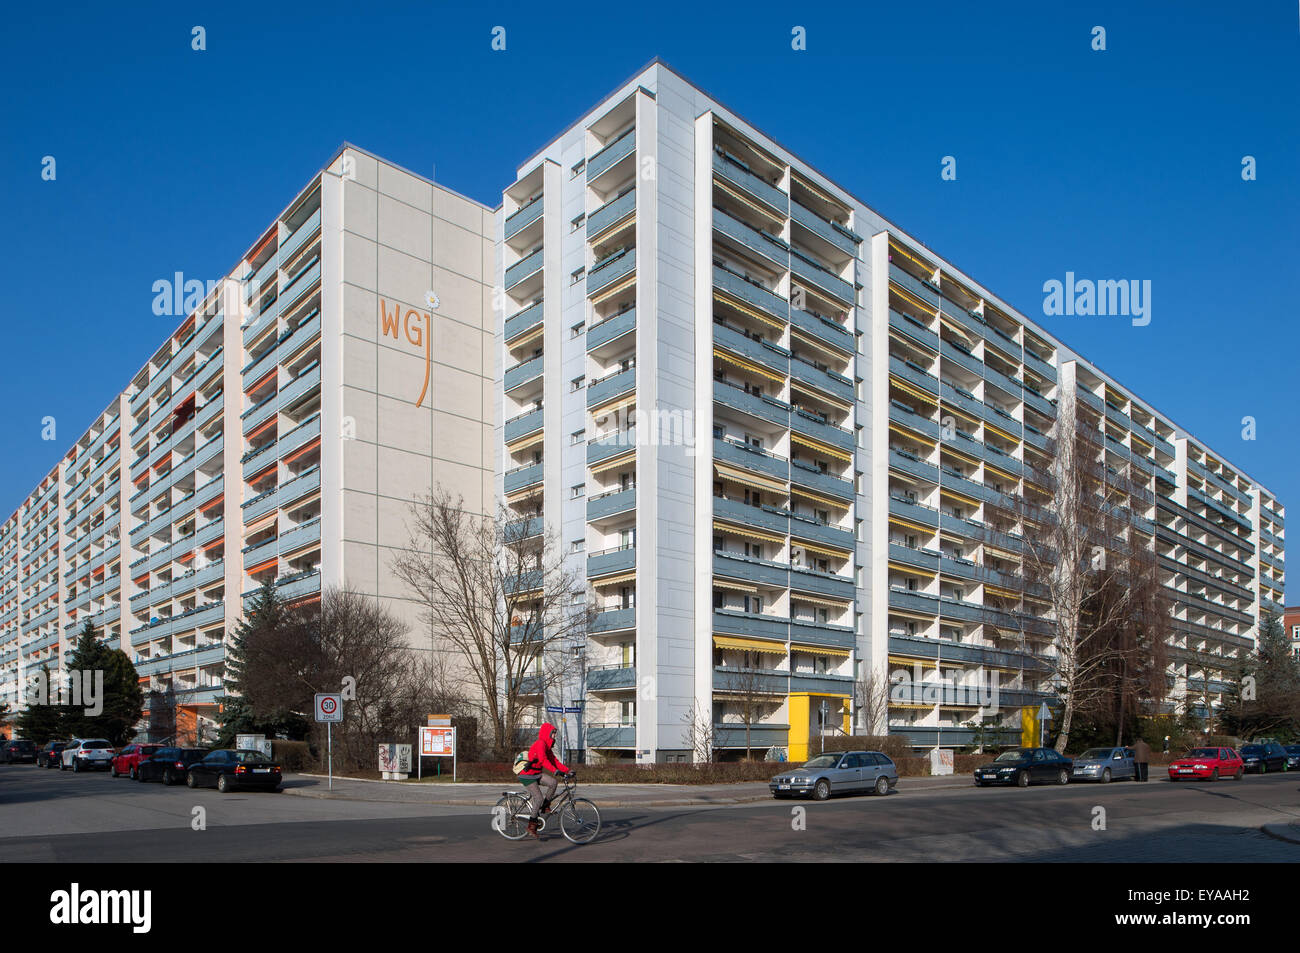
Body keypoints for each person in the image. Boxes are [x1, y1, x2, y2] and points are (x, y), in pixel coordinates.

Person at [519, 722, 571, 839]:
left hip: (536, 773)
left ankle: (545, 807)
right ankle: (532, 825)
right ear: (547, 733)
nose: (555, 736)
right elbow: (543, 760)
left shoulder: (547, 747)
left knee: (553, 782)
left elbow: (555, 761)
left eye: (555, 733)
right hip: (527, 775)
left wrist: (568, 771)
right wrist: (555, 771)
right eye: (553, 733)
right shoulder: (540, 744)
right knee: (538, 798)